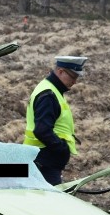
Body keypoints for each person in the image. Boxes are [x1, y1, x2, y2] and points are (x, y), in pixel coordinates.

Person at [23, 55, 88, 185]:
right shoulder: (48, 94)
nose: (74, 82)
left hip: (42, 162)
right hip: (44, 164)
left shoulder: (52, 90)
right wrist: (61, 148)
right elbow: (42, 130)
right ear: (60, 71)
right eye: (73, 76)